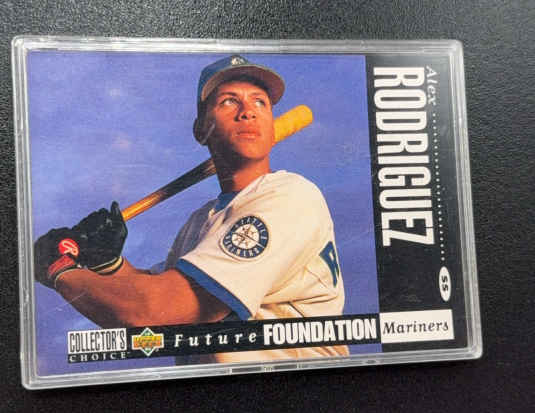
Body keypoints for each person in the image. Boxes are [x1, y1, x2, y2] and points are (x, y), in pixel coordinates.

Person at [34, 55, 348, 362]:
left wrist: (59, 270)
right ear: (201, 130)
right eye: (229, 101)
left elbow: (153, 311)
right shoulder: (201, 220)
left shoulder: (289, 196)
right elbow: (153, 288)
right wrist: (108, 263)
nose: (248, 112)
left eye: (260, 102)